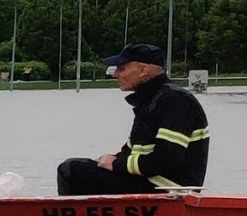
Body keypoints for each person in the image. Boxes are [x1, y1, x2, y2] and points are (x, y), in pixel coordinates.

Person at [56, 44, 210, 195]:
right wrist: (111, 161)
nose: (115, 74)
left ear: (143, 70)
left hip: (166, 189)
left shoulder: (174, 100)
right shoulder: (153, 100)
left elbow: (167, 159)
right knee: (82, 167)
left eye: (121, 69)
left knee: (70, 170)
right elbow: (131, 152)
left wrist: (116, 164)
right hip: (151, 183)